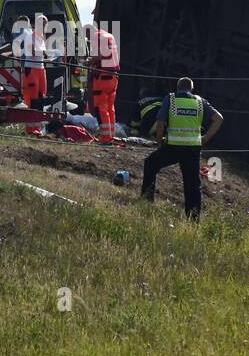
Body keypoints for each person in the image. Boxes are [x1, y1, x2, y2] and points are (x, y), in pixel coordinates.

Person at [140, 77, 224, 220]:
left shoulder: (171, 99)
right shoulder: (200, 102)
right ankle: (193, 219)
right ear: (191, 89)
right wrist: (206, 138)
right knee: (192, 185)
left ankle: (147, 201)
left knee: (150, 164)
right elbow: (219, 118)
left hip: (173, 147)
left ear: (178, 87)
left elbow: (160, 121)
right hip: (193, 150)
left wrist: (159, 140)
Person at [12, 14, 48, 136]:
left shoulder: (41, 37)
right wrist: (47, 53)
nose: (43, 27)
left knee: (40, 100)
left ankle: (37, 128)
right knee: (32, 101)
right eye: (42, 24)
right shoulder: (30, 36)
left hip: (41, 69)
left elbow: (42, 53)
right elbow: (34, 52)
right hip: (31, 70)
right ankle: (31, 129)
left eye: (45, 25)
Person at [85, 23, 120, 143]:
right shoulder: (109, 36)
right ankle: (111, 136)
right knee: (111, 108)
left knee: (101, 108)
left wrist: (88, 62)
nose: (88, 39)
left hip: (102, 77)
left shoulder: (96, 37)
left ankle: (105, 138)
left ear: (89, 32)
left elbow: (99, 55)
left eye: (87, 36)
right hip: (114, 77)